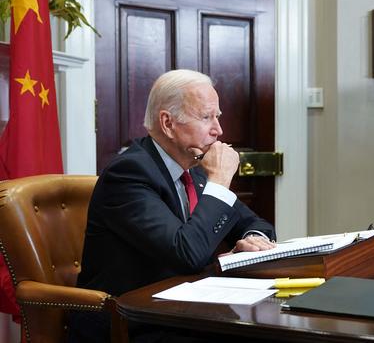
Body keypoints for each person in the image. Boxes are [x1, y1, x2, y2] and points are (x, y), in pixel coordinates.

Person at [69, 69, 276, 342]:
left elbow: (257, 224)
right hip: (131, 322)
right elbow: (186, 253)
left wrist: (253, 239)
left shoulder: (197, 170)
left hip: (184, 310)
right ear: (167, 123)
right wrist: (221, 180)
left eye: (217, 117)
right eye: (206, 117)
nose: (219, 130)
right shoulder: (130, 173)